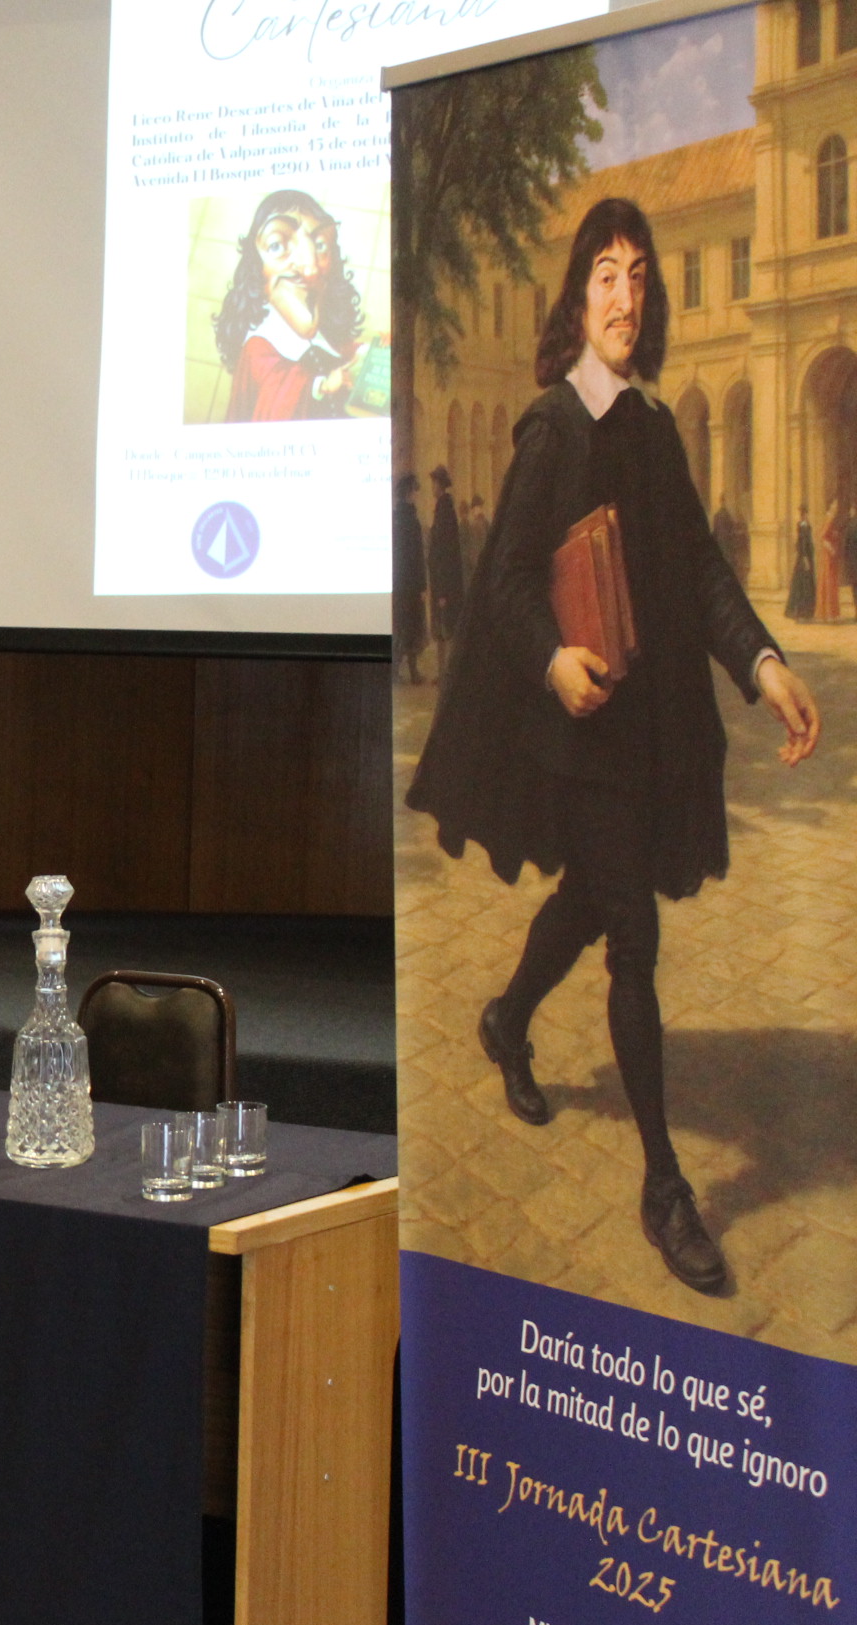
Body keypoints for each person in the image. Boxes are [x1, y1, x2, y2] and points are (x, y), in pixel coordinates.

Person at [407, 198, 820, 1297]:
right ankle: (666, 1189)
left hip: (648, 730)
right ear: (577, 297)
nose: (626, 295)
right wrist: (551, 659)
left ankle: (506, 1019)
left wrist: (765, 664)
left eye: (639, 275)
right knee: (632, 933)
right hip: (577, 729)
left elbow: (700, 569)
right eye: (606, 274)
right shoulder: (552, 426)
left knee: (593, 897)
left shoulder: (654, 427)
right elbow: (503, 583)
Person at [213, 189, 368, 422]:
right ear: (257, 266)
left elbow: (329, 353)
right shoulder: (258, 344)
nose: (310, 269)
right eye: (277, 246)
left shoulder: (318, 318)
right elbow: (276, 396)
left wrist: (365, 352)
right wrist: (322, 385)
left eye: (320, 245)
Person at [393, 472, 428, 684]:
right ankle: (409, 672)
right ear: (409, 493)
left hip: (400, 584)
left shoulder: (396, 518)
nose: (417, 495)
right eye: (415, 491)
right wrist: (422, 585)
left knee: (403, 627)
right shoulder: (411, 520)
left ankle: (399, 669)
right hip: (411, 585)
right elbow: (416, 556)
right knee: (411, 627)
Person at [428, 466, 465, 661]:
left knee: (445, 629)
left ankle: (446, 670)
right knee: (444, 629)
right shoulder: (444, 508)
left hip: (445, 584)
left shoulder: (444, 510)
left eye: (434, 483)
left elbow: (444, 553)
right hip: (444, 582)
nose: (432, 487)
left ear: (440, 485)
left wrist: (442, 591)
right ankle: (444, 670)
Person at [787, 503, 817, 621]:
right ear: (805, 513)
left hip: (803, 557)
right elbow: (804, 543)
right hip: (805, 558)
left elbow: (799, 543)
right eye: (805, 513)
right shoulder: (804, 525)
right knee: (805, 585)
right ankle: (803, 612)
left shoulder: (801, 524)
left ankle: (802, 612)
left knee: (801, 584)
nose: (806, 515)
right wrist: (805, 558)